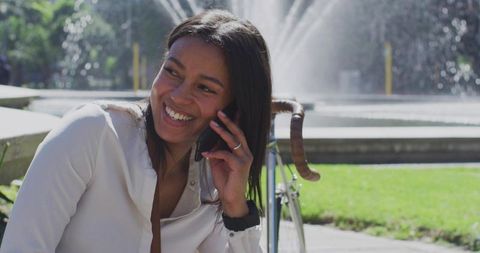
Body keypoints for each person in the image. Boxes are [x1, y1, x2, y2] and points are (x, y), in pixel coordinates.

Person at [0, 9, 271, 253]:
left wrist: (236, 207)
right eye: (172, 71)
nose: (178, 96)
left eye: (205, 88)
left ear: (235, 108)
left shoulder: (213, 182)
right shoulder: (91, 134)